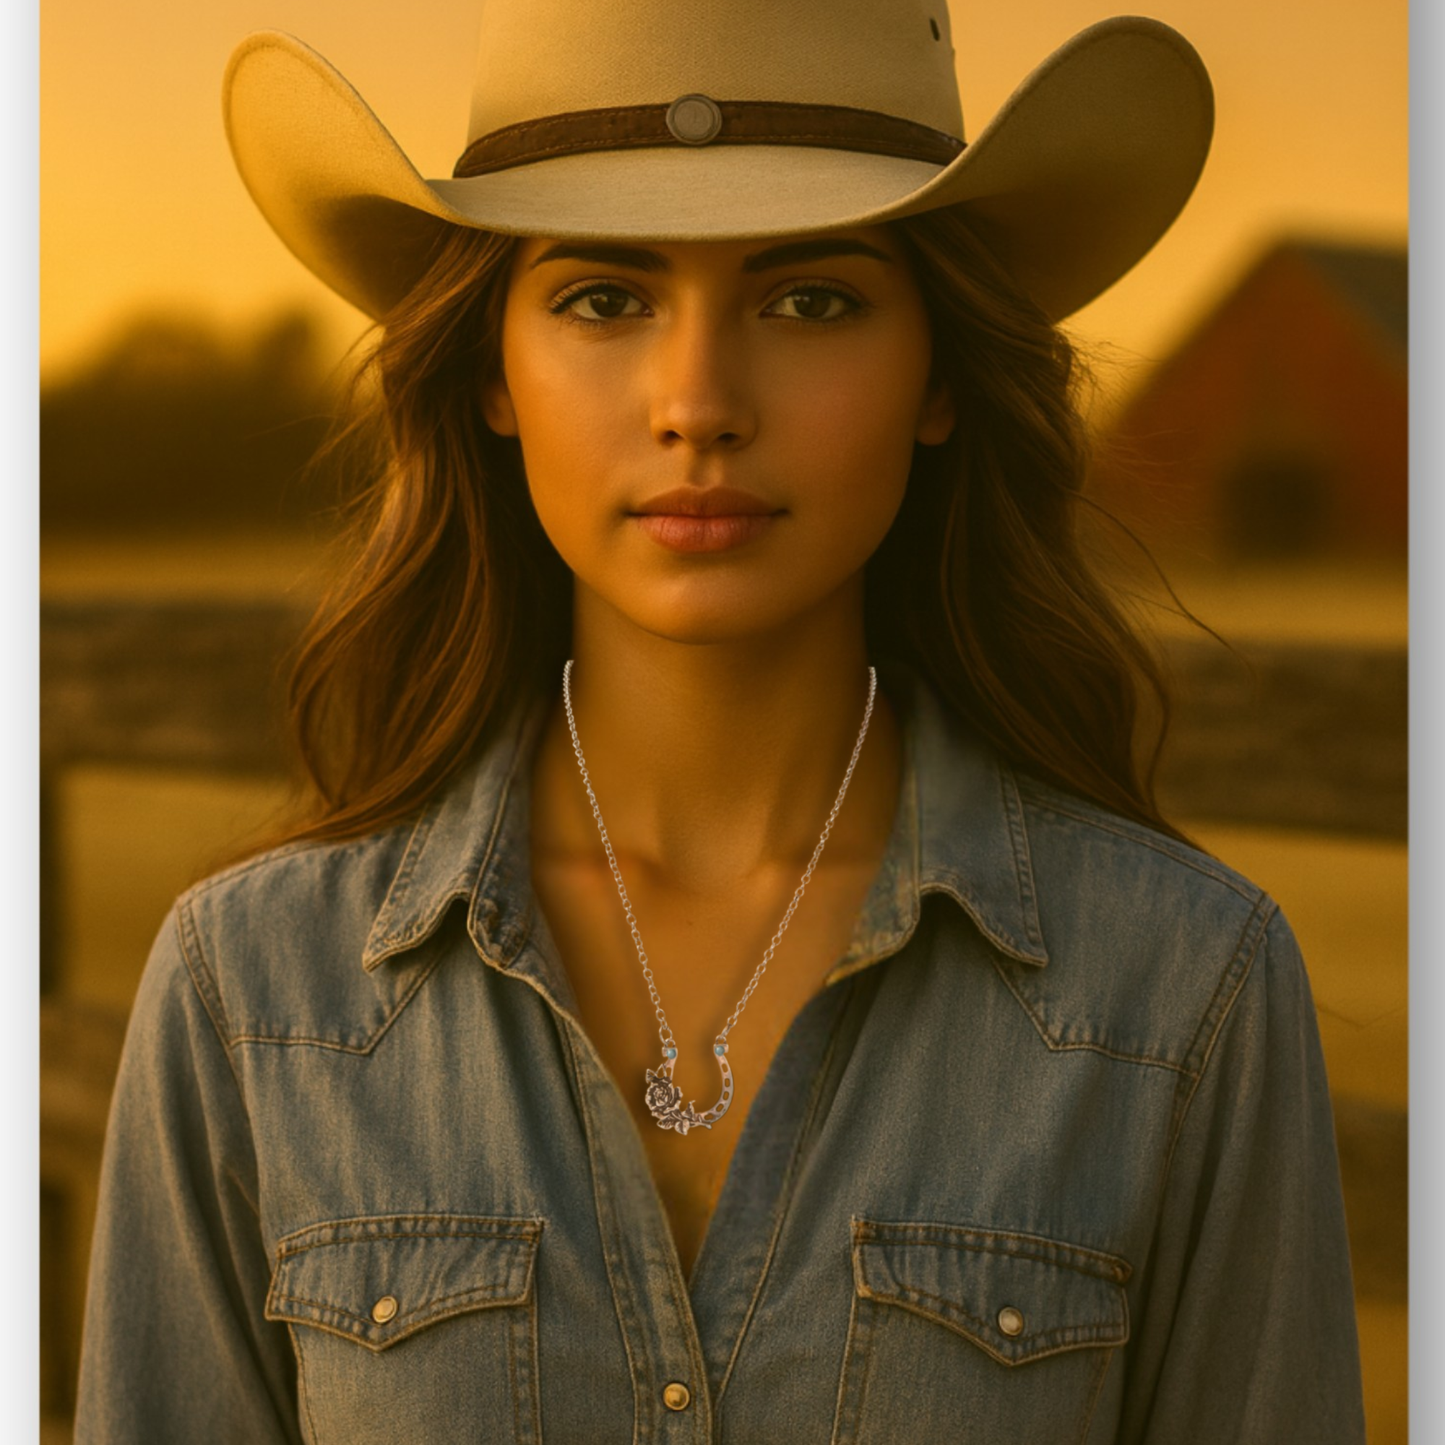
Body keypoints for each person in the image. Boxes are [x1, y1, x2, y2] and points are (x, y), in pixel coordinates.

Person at [74, 1, 1367, 1440]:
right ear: (492, 371)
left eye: (810, 299)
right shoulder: (251, 995)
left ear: (941, 371)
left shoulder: (1186, 992)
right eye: (603, 298)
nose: (699, 404)